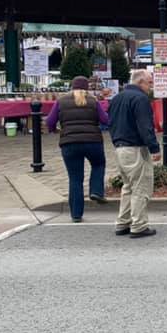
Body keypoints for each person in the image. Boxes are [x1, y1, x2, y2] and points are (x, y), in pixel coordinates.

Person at [46, 76, 109, 223]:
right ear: (87, 88)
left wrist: (54, 130)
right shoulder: (93, 101)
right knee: (98, 164)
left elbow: (49, 121)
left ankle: (76, 214)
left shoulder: (61, 101)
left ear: (72, 87)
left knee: (75, 178)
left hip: (69, 143)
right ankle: (96, 191)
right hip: (93, 142)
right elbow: (105, 120)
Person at [108, 69, 161, 238]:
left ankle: (123, 222)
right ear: (140, 82)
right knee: (140, 187)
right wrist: (154, 147)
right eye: (149, 83)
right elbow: (145, 126)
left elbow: (110, 123)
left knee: (128, 187)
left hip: (120, 147)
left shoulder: (116, 98)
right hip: (136, 147)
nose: (150, 87)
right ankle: (138, 225)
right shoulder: (140, 99)